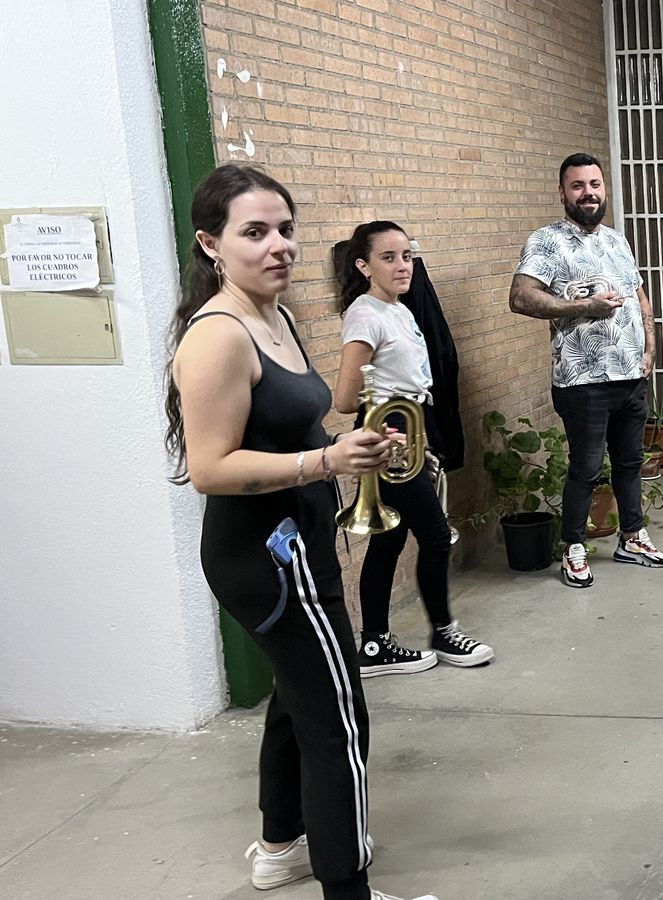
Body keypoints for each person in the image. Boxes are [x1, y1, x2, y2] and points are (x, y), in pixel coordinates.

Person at [165, 165, 436, 900]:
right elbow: (211, 468)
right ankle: (346, 889)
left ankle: (282, 845)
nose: (278, 245)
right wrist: (322, 457)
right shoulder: (218, 336)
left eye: (284, 228)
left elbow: (292, 423)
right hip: (264, 559)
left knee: (297, 695)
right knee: (338, 718)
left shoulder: (274, 317)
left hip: (302, 540)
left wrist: (352, 452)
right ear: (211, 244)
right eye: (254, 232)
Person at [332, 221, 493, 677]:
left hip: (411, 427)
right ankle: (444, 633)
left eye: (407, 255)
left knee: (391, 538)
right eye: (389, 257)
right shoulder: (365, 315)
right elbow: (345, 400)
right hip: (389, 435)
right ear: (364, 266)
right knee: (437, 535)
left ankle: (374, 646)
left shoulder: (398, 309)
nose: (402, 265)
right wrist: (387, 429)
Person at [509, 152, 663, 588]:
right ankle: (574, 547)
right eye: (577, 186)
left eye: (594, 184)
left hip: (630, 375)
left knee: (630, 461)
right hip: (583, 381)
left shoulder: (617, 241)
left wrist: (649, 348)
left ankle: (632, 536)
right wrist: (584, 306)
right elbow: (521, 297)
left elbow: (640, 297)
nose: (588, 193)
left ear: (604, 189)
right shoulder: (547, 242)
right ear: (563, 192)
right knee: (585, 466)